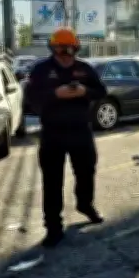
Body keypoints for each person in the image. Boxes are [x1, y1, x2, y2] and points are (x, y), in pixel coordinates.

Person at [25, 27, 108, 248]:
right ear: (53, 49)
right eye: (60, 50)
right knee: (52, 181)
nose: (64, 55)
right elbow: (31, 99)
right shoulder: (41, 70)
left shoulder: (85, 69)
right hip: (53, 132)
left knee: (87, 171)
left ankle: (85, 204)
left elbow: (101, 91)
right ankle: (53, 227)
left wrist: (84, 92)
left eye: (69, 51)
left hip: (80, 130)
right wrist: (55, 94)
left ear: (75, 49)